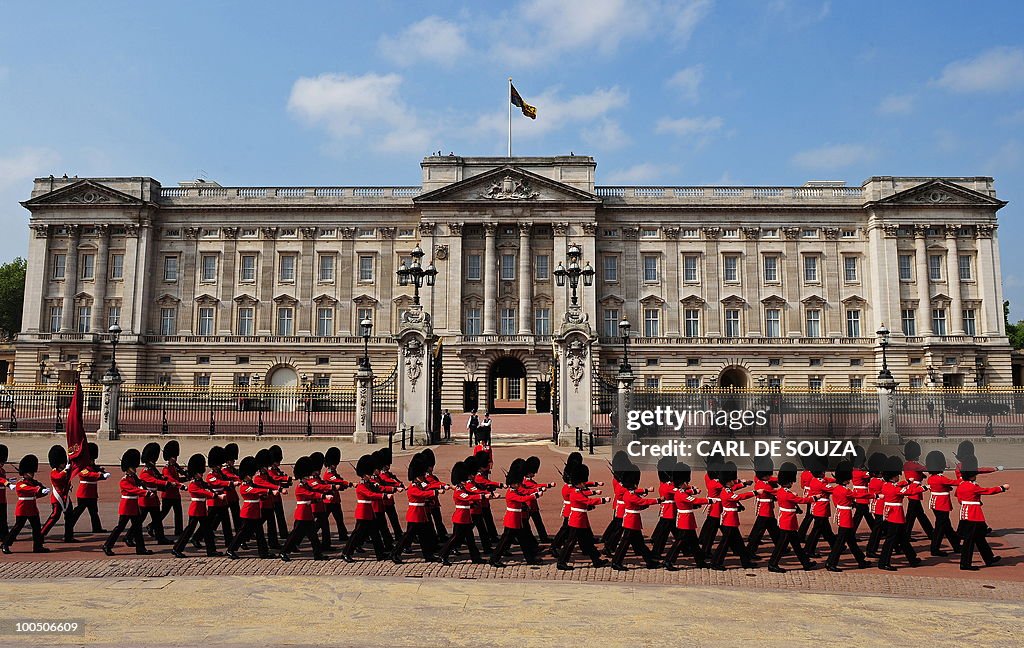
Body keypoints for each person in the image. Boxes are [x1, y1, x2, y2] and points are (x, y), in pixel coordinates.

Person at [956, 455, 1010, 571]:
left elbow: (959, 497)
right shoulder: (972, 486)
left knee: (979, 538)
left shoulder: (961, 485)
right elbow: (988, 491)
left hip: (968, 513)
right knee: (969, 541)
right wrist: (1002, 488)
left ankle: (989, 558)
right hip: (973, 515)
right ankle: (965, 564)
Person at [556, 462, 610, 570]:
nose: (584, 484)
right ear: (579, 483)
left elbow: (586, 495)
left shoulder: (578, 490)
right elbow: (588, 501)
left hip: (581, 520)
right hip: (577, 520)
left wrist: (595, 492)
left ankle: (596, 560)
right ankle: (561, 562)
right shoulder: (575, 493)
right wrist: (603, 500)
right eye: (583, 482)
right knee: (570, 542)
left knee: (588, 541)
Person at [391, 455, 444, 564]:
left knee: (424, 537)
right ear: (416, 477)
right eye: (421, 475)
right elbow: (422, 494)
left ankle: (428, 555)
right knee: (407, 537)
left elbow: (428, 487)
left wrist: (439, 488)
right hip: (415, 515)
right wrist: (435, 492)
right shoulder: (413, 488)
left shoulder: (419, 484)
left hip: (421, 515)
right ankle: (395, 554)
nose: (423, 477)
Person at [489, 461, 542, 568]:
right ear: (512, 483)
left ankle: (530, 559)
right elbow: (522, 498)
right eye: (517, 483)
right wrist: (534, 495)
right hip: (512, 520)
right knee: (504, 542)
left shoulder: (515, 490)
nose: (518, 484)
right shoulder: (511, 493)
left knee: (523, 541)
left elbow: (524, 492)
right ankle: (494, 559)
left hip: (517, 520)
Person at [766, 462, 816, 573]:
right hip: (787, 521)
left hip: (788, 520)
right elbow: (802, 500)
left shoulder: (781, 492)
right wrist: (814, 498)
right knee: (781, 545)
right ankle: (772, 564)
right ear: (788, 482)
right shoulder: (788, 494)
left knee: (796, 545)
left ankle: (805, 563)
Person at [439, 461, 492, 565]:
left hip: (466, 517)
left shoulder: (462, 488)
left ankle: (475, 557)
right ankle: (443, 554)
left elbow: (472, 494)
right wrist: (482, 496)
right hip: (460, 518)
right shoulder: (459, 490)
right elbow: (468, 497)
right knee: (455, 538)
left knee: (470, 539)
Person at [280, 456, 332, 561]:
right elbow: (311, 494)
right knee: (294, 535)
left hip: (308, 514)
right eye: (306, 476)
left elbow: (311, 497)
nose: (308, 478)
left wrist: (319, 499)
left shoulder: (305, 485)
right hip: (302, 515)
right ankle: (284, 552)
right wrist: (323, 496)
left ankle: (318, 555)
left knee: (314, 537)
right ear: (302, 477)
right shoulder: (300, 487)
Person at [877, 455, 924, 572]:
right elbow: (908, 491)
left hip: (891, 514)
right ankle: (883, 562)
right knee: (890, 540)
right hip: (895, 516)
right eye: (897, 475)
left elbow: (900, 485)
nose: (898, 477)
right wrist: (923, 488)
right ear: (893, 477)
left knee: (902, 539)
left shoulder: (887, 485)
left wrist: (907, 481)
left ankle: (912, 558)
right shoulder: (893, 488)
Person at [101, 449, 153, 556]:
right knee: (120, 528)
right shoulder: (124, 480)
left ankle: (140, 548)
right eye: (132, 468)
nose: (134, 470)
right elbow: (133, 490)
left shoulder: (134, 478)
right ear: (127, 468)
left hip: (134, 507)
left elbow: (137, 487)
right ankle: (107, 545)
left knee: (138, 528)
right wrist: (146, 493)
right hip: (127, 507)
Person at [171, 454, 222, 558]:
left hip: (202, 510)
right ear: (194, 474)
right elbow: (203, 492)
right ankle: (177, 549)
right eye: (199, 473)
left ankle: (211, 550)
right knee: (189, 531)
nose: (201, 474)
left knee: (207, 530)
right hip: (195, 510)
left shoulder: (199, 482)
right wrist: (215, 495)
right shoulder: (193, 484)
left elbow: (206, 487)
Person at [341, 454, 390, 562]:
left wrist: (390, 489)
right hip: (363, 513)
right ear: (364, 474)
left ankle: (380, 554)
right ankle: (346, 552)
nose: (370, 475)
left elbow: (377, 488)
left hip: (369, 512)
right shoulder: (361, 486)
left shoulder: (368, 483)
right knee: (356, 534)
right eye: (368, 473)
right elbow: (370, 495)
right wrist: (384, 496)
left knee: (375, 534)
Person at [610, 465, 659, 571]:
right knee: (625, 543)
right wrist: (658, 500)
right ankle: (616, 562)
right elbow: (642, 502)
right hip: (631, 521)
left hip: (633, 521)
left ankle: (649, 561)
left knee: (639, 543)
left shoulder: (629, 492)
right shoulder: (630, 495)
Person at [824, 461, 871, 572]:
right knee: (840, 543)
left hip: (842, 514)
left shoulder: (836, 489)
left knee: (851, 541)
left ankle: (861, 560)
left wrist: (851, 503)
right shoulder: (846, 491)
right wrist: (875, 495)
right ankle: (831, 562)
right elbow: (859, 495)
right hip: (846, 517)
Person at [227, 456, 277, 559]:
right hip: (248, 513)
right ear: (245, 476)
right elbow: (255, 491)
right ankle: (231, 550)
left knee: (260, 534)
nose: (252, 476)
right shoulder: (244, 486)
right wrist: (269, 491)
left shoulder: (251, 484)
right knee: (242, 533)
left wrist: (265, 495)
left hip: (255, 512)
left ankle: (264, 553)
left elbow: (258, 492)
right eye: (250, 474)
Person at [710, 462, 756, 570]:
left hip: (731, 520)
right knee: (724, 544)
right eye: (732, 480)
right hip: (729, 521)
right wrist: (754, 492)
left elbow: (735, 488)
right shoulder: (726, 492)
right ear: (728, 481)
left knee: (739, 543)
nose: (733, 481)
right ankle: (715, 562)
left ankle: (746, 562)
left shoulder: (727, 489)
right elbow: (740, 497)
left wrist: (743, 484)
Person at [663, 461, 709, 570]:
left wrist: (693, 490)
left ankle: (700, 561)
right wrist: (710, 500)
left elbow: (690, 495)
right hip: (685, 520)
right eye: (686, 482)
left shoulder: (682, 491)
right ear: (683, 482)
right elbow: (694, 500)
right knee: (679, 542)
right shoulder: (681, 494)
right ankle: (668, 561)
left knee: (694, 542)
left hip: (688, 520)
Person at [1, 454, 50, 554]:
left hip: (32, 508)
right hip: (23, 509)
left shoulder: (33, 482)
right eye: (29, 473)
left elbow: (37, 493)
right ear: (24, 473)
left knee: (37, 529)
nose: (31, 474)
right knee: (17, 528)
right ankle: (5, 544)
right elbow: (26, 489)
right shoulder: (21, 483)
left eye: (32, 472)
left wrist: (42, 490)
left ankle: (38, 546)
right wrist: (38, 489)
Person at [63, 443, 110, 541]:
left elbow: (93, 471)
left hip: (92, 493)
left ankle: (97, 528)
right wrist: (101, 476)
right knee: (78, 512)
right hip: (84, 493)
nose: (92, 461)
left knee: (94, 512)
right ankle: (69, 526)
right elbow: (88, 475)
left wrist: (101, 471)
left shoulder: (91, 465)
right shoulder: (82, 467)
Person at [925, 450, 961, 556]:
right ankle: (934, 548)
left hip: (935, 503)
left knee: (946, 526)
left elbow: (944, 486)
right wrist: (964, 476)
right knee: (940, 527)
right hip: (942, 504)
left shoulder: (931, 478)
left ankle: (956, 545)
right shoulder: (941, 478)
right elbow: (955, 483)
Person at [138, 442, 176, 545]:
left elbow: (156, 483)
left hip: (153, 500)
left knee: (158, 520)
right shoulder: (145, 472)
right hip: (146, 501)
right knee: (139, 520)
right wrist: (166, 483)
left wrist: (164, 484)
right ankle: (129, 536)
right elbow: (153, 481)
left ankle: (161, 538)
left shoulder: (152, 470)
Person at [745, 456, 780, 560]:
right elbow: (775, 491)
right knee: (758, 533)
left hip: (767, 509)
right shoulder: (763, 485)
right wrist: (782, 487)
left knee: (773, 530)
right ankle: (750, 551)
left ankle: (780, 546)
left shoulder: (763, 481)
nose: (770, 476)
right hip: (765, 511)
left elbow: (771, 481)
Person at [803, 458, 838, 558]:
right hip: (821, 510)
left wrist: (838, 479)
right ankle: (809, 550)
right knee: (816, 532)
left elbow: (828, 480)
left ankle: (835, 546)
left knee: (826, 530)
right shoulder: (820, 483)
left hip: (820, 509)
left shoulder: (815, 480)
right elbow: (832, 489)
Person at [649, 456, 680, 562]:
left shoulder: (665, 483)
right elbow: (679, 492)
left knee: (677, 532)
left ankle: (687, 548)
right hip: (669, 511)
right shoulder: (667, 485)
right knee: (664, 534)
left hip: (670, 510)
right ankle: (656, 552)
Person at [205, 446, 237, 549]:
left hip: (222, 502)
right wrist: (229, 483)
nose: (219, 466)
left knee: (226, 523)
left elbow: (227, 479)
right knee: (208, 523)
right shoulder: (210, 475)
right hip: (214, 502)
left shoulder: (220, 473)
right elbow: (217, 482)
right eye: (217, 465)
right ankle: (197, 537)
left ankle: (229, 542)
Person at [902, 441, 934, 542]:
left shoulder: (908, 464)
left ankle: (930, 532)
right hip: (914, 491)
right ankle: (906, 535)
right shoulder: (915, 465)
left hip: (912, 489)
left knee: (918, 514)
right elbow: (925, 468)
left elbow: (918, 473)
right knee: (912, 516)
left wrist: (921, 475)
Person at [253, 449, 284, 551]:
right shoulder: (258, 477)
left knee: (271, 524)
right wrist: (277, 489)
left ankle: (273, 542)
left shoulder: (266, 475)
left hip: (269, 503)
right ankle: (244, 538)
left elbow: (273, 482)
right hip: (263, 503)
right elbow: (267, 485)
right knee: (255, 524)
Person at [321, 447, 352, 544]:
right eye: (334, 464)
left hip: (335, 500)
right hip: (328, 501)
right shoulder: (328, 474)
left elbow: (339, 482)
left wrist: (343, 486)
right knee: (322, 520)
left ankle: (343, 535)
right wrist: (349, 483)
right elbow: (338, 481)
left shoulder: (334, 472)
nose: (335, 466)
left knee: (339, 518)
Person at [40, 445, 71, 539]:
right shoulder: (54, 472)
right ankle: (41, 534)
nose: (64, 464)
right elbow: (58, 477)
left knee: (70, 517)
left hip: (65, 497)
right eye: (62, 463)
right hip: (57, 498)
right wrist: (66, 470)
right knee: (55, 516)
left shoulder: (64, 470)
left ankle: (69, 536)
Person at [522, 456, 554, 543]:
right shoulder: (526, 481)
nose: (534, 474)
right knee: (524, 523)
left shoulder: (527, 480)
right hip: (528, 505)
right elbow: (536, 486)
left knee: (538, 522)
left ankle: (543, 537)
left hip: (533, 505)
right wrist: (548, 485)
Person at [698, 454, 726, 555]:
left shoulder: (710, 475)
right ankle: (706, 550)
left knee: (711, 525)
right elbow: (725, 488)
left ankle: (703, 541)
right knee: (714, 528)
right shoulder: (713, 480)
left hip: (717, 504)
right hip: (716, 505)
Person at [159, 440, 188, 537]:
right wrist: (180, 485)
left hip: (175, 495)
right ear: (169, 458)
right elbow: (171, 480)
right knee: (163, 513)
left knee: (178, 513)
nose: (175, 459)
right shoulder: (166, 469)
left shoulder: (174, 468)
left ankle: (179, 531)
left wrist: (187, 478)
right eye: (173, 457)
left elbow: (177, 479)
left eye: (175, 457)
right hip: (168, 495)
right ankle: (153, 525)